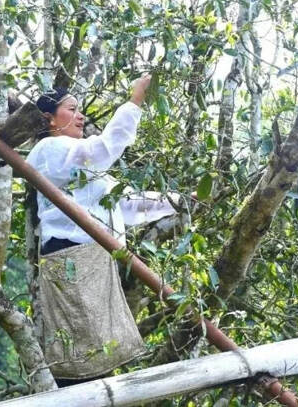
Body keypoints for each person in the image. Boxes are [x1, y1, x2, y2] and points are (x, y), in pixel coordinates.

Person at [27, 75, 178, 386]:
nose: (81, 115)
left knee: (98, 350)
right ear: (49, 119)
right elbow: (105, 148)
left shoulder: (79, 165)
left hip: (93, 257)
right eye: (71, 109)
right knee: (84, 354)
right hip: (71, 254)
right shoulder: (49, 150)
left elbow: (122, 203)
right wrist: (135, 101)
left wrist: (175, 202)